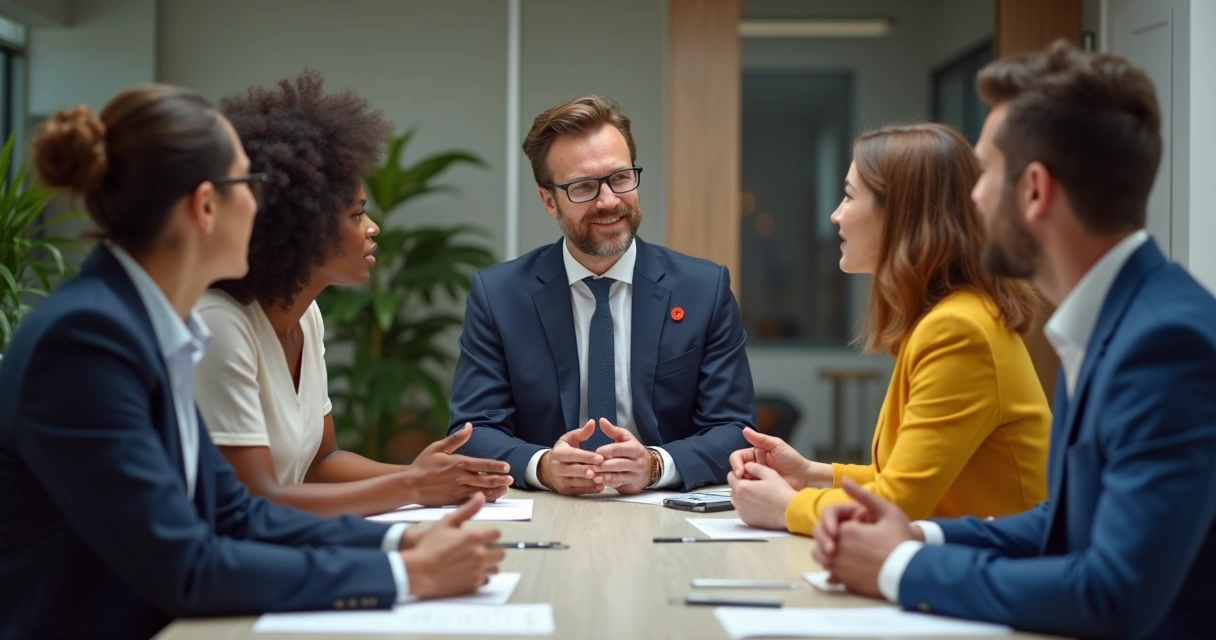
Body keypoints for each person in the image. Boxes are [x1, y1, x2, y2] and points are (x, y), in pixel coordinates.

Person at [0, 85, 502, 640]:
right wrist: (405, 573)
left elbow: (237, 514)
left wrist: (401, 541)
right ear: (205, 205)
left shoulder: (147, 324)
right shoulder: (86, 340)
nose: (262, 205)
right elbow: (185, 567)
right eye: (249, 184)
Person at [814, 41, 1216, 639]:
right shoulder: (1116, 321)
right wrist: (918, 534)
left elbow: (1114, 593)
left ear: (1033, 190)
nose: (972, 199)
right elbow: (1063, 522)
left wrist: (902, 566)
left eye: (987, 174)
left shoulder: (1164, 343)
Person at [193, 70, 511, 517]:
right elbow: (255, 501)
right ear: (304, 227)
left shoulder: (305, 316)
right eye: (357, 214)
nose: (373, 227)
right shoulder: (220, 325)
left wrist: (416, 475)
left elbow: (321, 464)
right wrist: (413, 487)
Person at [727, 123, 1050, 534]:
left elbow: (898, 504)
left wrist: (788, 506)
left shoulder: (957, 330)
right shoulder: (949, 318)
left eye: (848, 196)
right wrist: (811, 472)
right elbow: (902, 479)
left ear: (899, 213)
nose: (836, 215)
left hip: (996, 574)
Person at [448, 95, 755, 494]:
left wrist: (655, 464)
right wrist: (544, 467)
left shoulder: (703, 290)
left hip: (664, 506)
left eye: (620, 178)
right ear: (548, 201)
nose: (608, 201)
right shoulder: (499, 296)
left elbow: (734, 429)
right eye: (584, 187)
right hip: (548, 509)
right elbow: (471, 432)